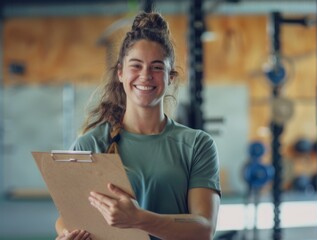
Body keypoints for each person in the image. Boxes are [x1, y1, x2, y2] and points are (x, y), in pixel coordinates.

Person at [55, 11, 221, 240]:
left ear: (170, 77)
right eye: (136, 66)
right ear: (120, 73)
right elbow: (67, 217)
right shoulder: (91, 143)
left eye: (156, 67)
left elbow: (204, 228)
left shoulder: (197, 145)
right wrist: (67, 234)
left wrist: (139, 219)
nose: (145, 76)